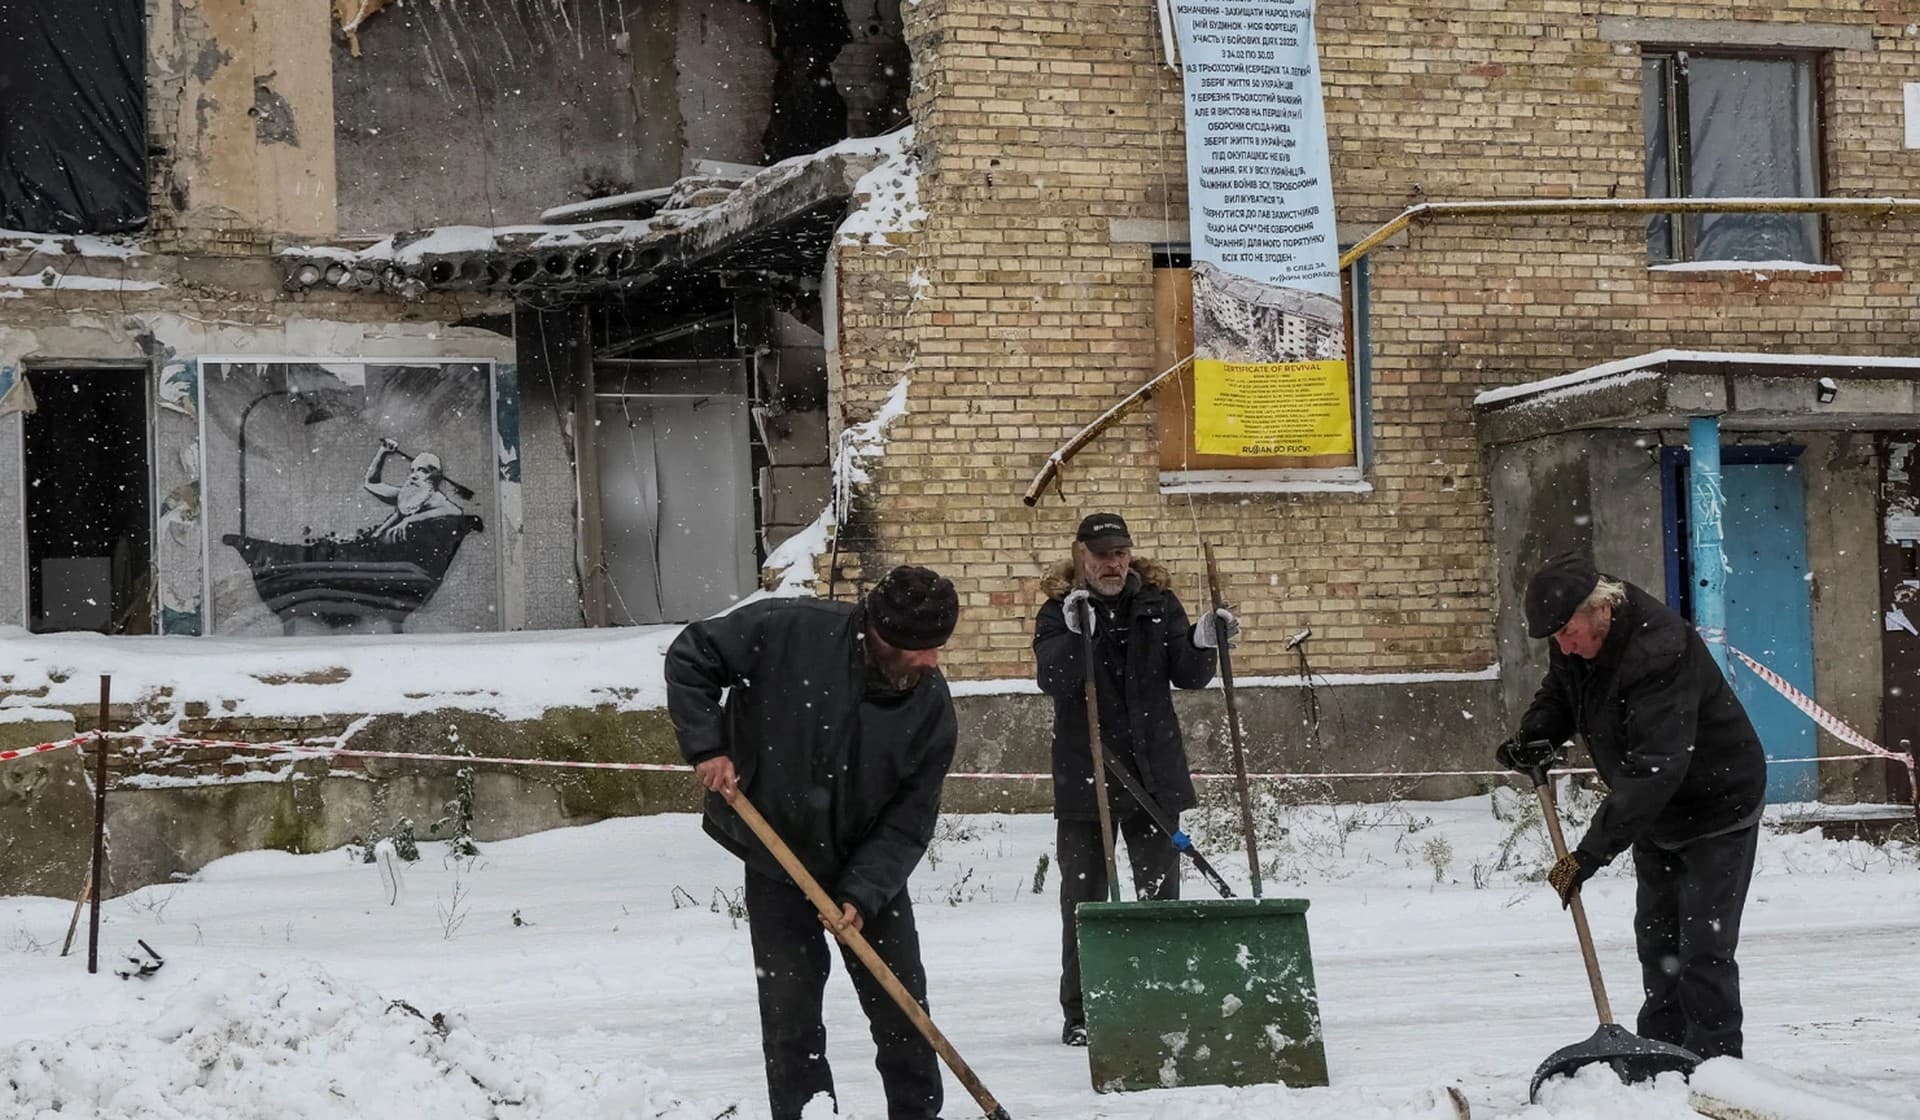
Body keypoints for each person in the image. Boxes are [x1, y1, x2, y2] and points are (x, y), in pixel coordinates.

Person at [666, 565, 960, 1120]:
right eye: (917, 647)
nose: (930, 661)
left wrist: (864, 891)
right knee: (790, 1016)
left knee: (902, 1008)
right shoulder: (788, 630)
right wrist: (707, 746)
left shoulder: (930, 708)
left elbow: (910, 818)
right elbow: (692, 654)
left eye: (937, 647)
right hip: (776, 853)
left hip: (867, 867)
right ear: (878, 630)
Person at [1498, 551, 1767, 1060]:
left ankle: (1716, 1067)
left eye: (1568, 635)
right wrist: (1538, 735)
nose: (1564, 647)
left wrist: (1588, 856)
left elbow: (1655, 770)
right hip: (1655, 812)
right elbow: (1564, 689)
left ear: (1599, 609)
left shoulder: (1658, 649)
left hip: (1717, 806)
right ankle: (1661, 1055)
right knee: (1658, 941)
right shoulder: (1575, 635)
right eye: (1556, 639)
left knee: (1702, 949)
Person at [1032, 513, 1238, 1046]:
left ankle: (1159, 996)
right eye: (1101, 554)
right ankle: (1081, 1013)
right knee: (1085, 902)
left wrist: (1202, 641)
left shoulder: (1157, 604)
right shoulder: (1059, 611)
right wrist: (1077, 637)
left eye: (1120, 552)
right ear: (1080, 555)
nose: (1112, 563)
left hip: (1153, 775)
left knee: (1159, 898)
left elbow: (1188, 676)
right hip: (1089, 777)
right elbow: (1053, 680)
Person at [364, 437, 462, 542]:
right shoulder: (405, 495)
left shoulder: (435, 499)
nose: (413, 476)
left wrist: (412, 519)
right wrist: (383, 452)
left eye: (423, 470)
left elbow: (456, 511)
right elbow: (371, 483)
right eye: (413, 470)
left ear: (434, 478)